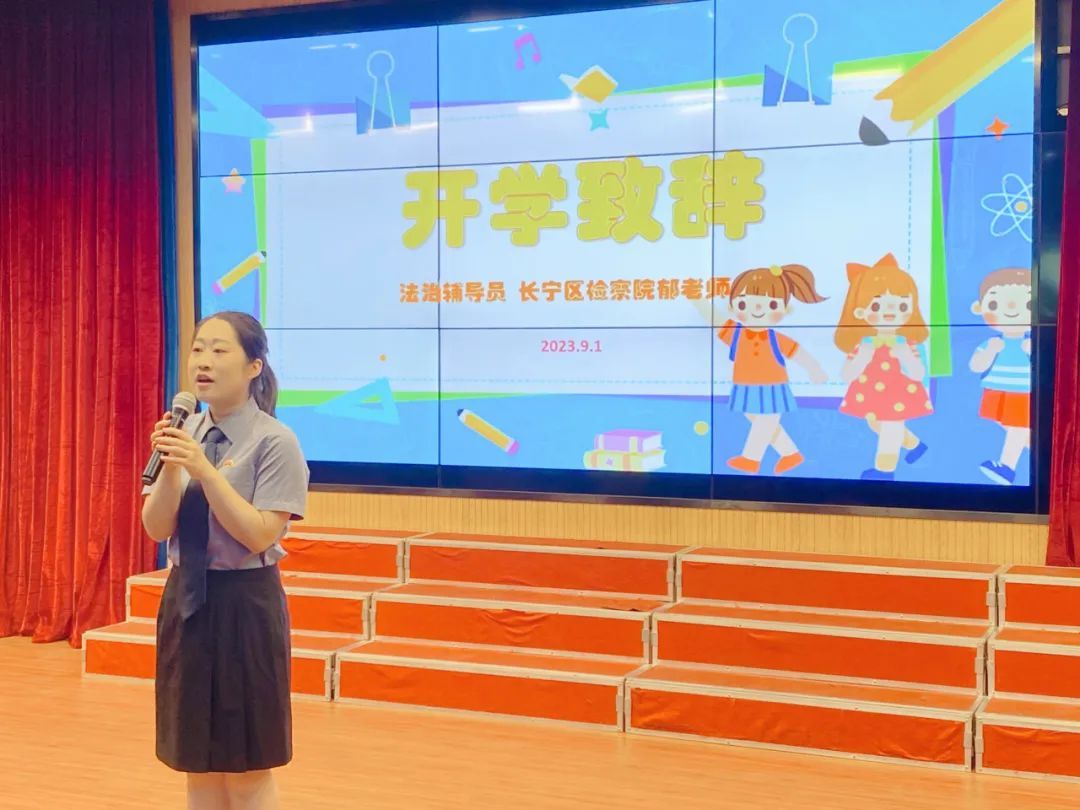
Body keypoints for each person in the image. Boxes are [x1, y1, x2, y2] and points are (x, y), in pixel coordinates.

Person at [142, 311, 309, 810]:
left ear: (254, 366)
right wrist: (173, 468)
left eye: (219, 350)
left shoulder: (275, 440)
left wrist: (205, 471)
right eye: (198, 349)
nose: (204, 362)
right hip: (186, 601)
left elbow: (259, 534)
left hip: (245, 607)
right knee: (197, 764)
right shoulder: (183, 430)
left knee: (246, 767)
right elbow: (156, 528)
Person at [717, 263, 829, 475]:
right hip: (745, 386)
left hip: (772, 387)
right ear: (732, 307)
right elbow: (714, 319)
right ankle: (790, 453)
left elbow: (798, 353)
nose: (757, 310)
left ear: (785, 309)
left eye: (770, 304)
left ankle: (750, 459)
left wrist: (814, 369)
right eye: (744, 304)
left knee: (766, 421)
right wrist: (697, 302)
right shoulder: (737, 333)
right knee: (758, 420)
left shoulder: (776, 338)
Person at [835, 253, 933, 481]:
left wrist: (905, 354)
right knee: (876, 423)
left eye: (901, 305)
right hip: (871, 394)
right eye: (877, 305)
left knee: (891, 427)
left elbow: (918, 373)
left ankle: (884, 471)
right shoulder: (864, 343)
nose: (889, 312)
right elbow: (847, 374)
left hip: (900, 395)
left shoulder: (906, 343)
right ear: (860, 311)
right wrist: (863, 357)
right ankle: (915, 445)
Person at [969, 267, 1032, 485]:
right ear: (979, 308)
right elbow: (976, 366)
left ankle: (1007, 468)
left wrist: (1032, 352)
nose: (1012, 309)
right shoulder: (992, 342)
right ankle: (1047, 452)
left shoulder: (1031, 343)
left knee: (1017, 427)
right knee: (1009, 425)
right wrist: (990, 351)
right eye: (996, 304)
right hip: (996, 389)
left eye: (1027, 304)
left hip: (1022, 391)